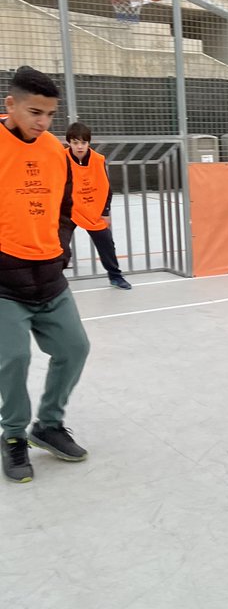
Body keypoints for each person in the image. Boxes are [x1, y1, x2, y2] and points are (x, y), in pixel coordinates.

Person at [0, 66, 91, 484]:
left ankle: (48, 425)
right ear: (11, 105)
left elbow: (65, 207)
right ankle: (15, 437)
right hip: (4, 283)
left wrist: (60, 248)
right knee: (14, 358)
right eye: (35, 112)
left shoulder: (55, 151)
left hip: (48, 276)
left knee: (75, 348)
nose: (43, 122)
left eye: (51, 114)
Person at [64, 122, 131, 289]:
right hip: (69, 210)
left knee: (106, 241)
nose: (80, 146)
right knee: (58, 244)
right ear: (69, 143)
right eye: (75, 142)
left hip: (92, 209)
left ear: (89, 143)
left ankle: (115, 276)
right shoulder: (61, 158)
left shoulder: (98, 159)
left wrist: (105, 211)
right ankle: (53, 280)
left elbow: (106, 188)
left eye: (83, 142)